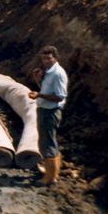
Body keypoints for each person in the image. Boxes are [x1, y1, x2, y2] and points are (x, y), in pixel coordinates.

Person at [27, 45, 68, 187]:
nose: (46, 61)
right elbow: (46, 89)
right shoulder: (49, 72)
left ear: (55, 58)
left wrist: (39, 95)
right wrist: (38, 79)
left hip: (50, 112)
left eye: (49, 58)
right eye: (44, 58)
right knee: (48, 140)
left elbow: (59, 96)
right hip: (44, 108)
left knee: (47, 142)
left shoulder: (57, 73)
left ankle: (50, 178)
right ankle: (52, 171)